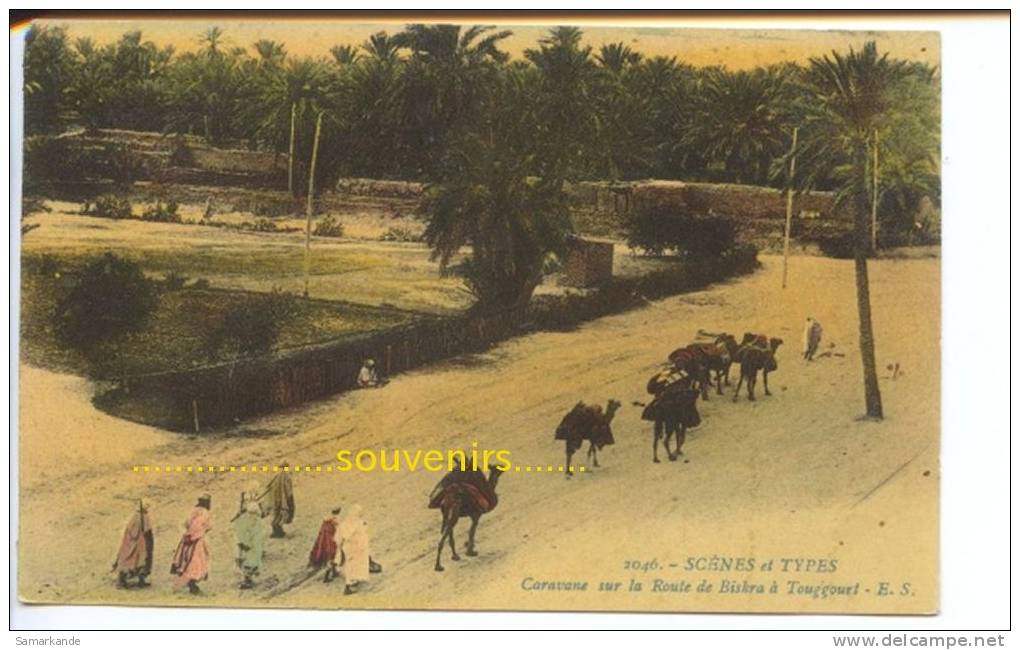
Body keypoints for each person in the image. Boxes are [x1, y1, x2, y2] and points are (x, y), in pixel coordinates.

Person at [170, 494, 213, 595]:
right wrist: (201, 532)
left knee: (187, 560)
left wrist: (190, 533)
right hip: (198, 540)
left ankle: (190, 583)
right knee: (197, 561)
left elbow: (186, 523)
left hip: (187, 539)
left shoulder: (193, 511)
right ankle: (192, 584)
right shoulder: (206, 513)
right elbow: (209, 526)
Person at [112, 499, 153, 589]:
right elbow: (147, 531)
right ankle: (127, 581)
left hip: (130, 543)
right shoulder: (144, 517)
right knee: (141, 560)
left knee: (129, 559)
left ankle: (129, 580)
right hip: (140, 544)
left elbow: (129, 531)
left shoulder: (134, 516)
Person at [231, 484, 266, 590]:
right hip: (248, 547)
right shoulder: (252, 522)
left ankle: (247, 580)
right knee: (248, 564)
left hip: (250, 548)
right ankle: (246, 580)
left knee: (250, 563)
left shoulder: (252, 522)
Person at [336, 504, 375, 595]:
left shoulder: (346, 523)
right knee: (353, 566)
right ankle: (349, 585)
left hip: (350, 548)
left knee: (352, 566)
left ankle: (353, 581)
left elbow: (339, 537)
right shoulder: (357, 524)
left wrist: (340, 546)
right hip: (355, 549)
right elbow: (359, 535)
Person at [309, 506, 342, 583]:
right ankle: (327, 577)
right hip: (332, 542)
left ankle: (334, 572)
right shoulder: (335, 521)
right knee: (332, 558)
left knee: (331, 559)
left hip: (324, 542)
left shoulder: (326, 521)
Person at [258, 469, 295, 538]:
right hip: (279, 498)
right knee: (278, 515)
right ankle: (278, 532)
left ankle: (278, 532)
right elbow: (288, 489)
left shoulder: (277, 476)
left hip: (276, 498)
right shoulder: (284, 476)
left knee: (277, 514)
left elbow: (269, 486)